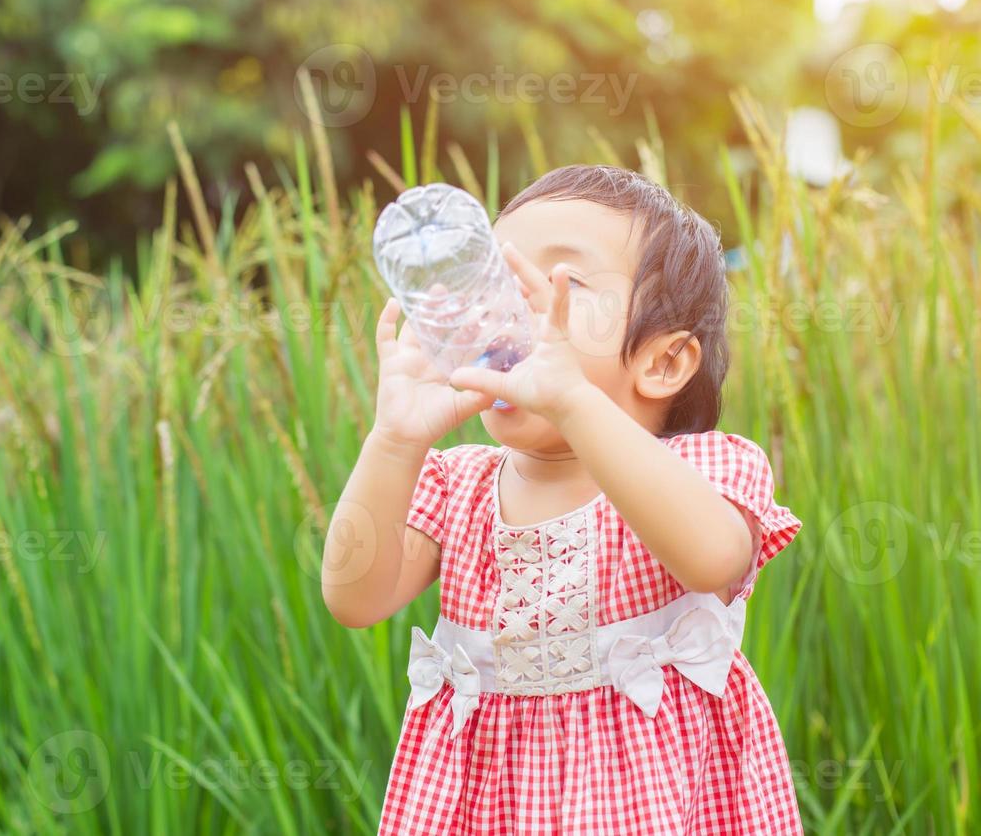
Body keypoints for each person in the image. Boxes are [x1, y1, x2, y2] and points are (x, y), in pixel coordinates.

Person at [322, 164, 803, 834]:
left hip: (654, 807)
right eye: (499, 273)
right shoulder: (454, 485)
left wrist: (573, 400)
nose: (510, 306)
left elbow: (713, 559)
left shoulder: (699, 469)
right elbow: (354, 597)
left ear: (662, 363)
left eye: (561, 283)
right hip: (490, 809)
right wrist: (394, 440)